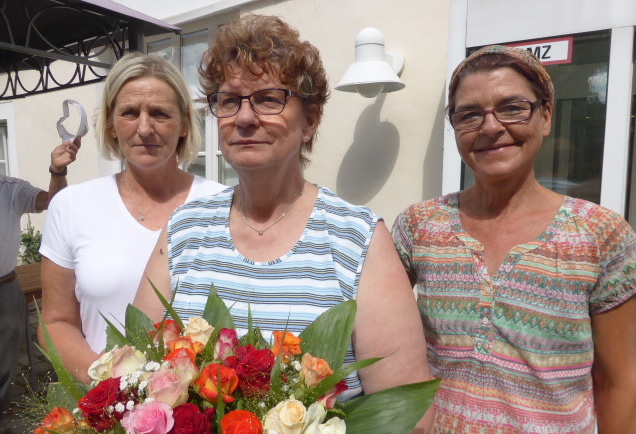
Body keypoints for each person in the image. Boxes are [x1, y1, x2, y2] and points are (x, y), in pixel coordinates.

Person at [134, 13, 432, 428]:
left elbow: (406, 416)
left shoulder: (357, 238)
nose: (244, 117)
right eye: (229, 100)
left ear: (310, 120)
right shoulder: (185, 229)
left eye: (269, 98)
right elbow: (137, 371)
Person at [392, 45, 636, 433]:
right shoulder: (419, 226)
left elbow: (619, 380)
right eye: (469, 115)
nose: (490, 127)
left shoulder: (601, 234)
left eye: (512, 107)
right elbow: (388, 344)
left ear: (546, 116)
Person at [38, 52, 225, 384]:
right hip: (107, 412)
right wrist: (110, 385)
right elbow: (55, 322)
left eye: (159, 113)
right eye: (129, 112)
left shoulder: (221, 204)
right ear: (111, 125)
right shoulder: (71, 205)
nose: (144, 127)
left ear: (183, 123)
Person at [0, 139, 80, 418]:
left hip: (4, 288)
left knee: (4, 367)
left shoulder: (9, 188)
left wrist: (58, 172)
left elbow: (53, 201)